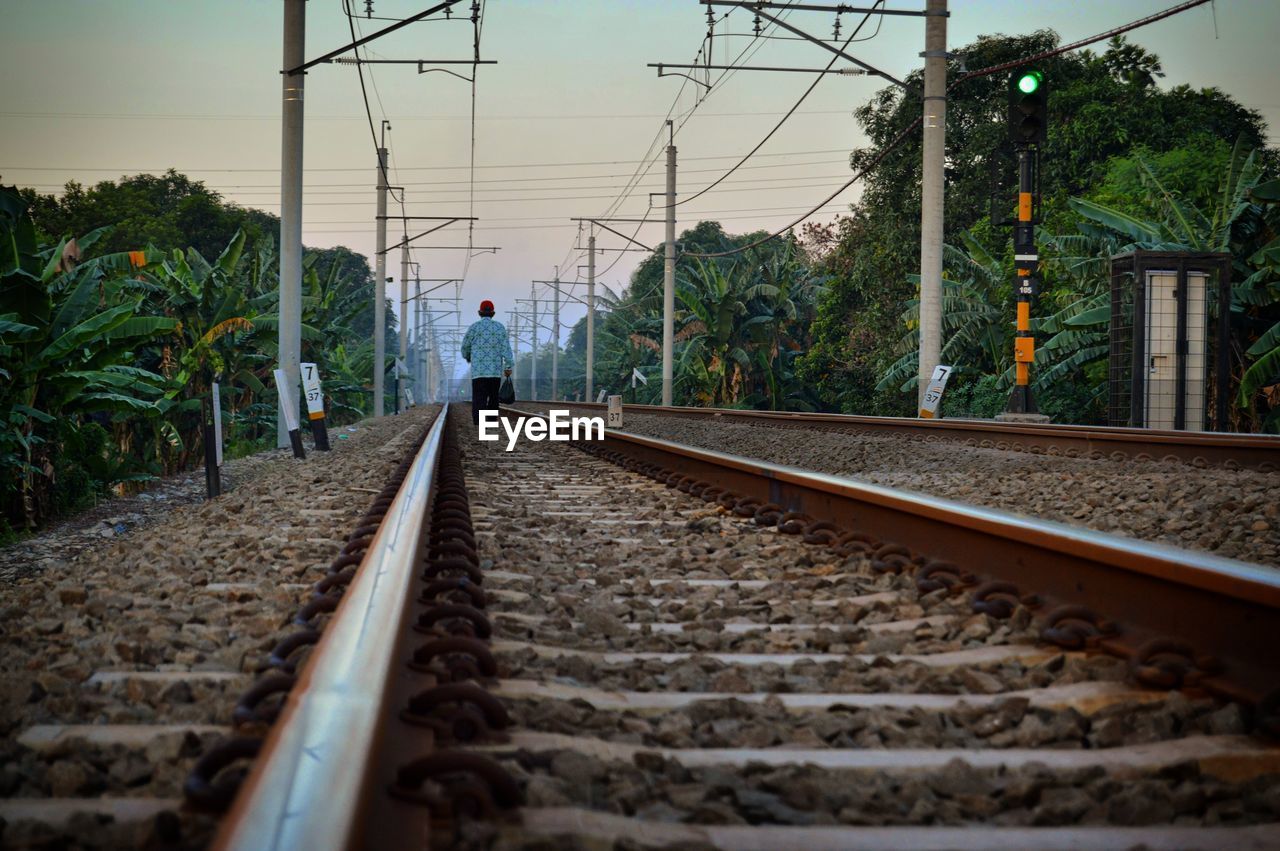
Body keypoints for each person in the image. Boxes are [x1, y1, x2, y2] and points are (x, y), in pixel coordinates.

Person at [460, 299, 514, 427]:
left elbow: (465, 347)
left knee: (479, 397)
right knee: (493, 396)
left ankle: (479, 422)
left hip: (478, 372)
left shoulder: (474, 328)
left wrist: (468, 356)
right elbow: (506, 349)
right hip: (494, 371)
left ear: (480, 313)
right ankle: (490, 421)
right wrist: (508, 366)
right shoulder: (500, 328)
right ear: (493, 313)